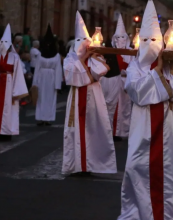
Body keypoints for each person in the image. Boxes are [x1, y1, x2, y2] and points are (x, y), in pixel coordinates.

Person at [118, 1, 173, 219]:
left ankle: (171, 212)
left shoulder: (170, 69)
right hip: (143, 125)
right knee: (138, 168)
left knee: (171, 170)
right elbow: (137, 92)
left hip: (169, 126)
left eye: (154, 40)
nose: (150, 45)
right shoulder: (135, 67)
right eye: (145, 40)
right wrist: (157, 71)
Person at [62, 11, 117, 175]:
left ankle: (92, 163)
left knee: (93, 128)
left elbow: (100, 72)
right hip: (76, 96)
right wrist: (83, 59)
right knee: (75, 130)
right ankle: (76, 164)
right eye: (78, 41)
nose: (81, 44)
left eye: (84, 41)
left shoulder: (96, 58)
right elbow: (71, 77)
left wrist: (91, 60)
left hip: (93, 96)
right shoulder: (70, 59)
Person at [100, 14, 133, 142]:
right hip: (112, 81)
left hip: (124, 82)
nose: (121, 39)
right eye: (118, 37)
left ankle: (120, 131)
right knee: (110, 105)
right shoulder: (111, 51)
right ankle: (109, 131)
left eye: (123, 37)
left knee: (123, 108)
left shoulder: (130, 52)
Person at [32, 24, 63, 126]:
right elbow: (37, 68)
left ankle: (47, 118)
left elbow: (58, 70)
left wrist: (57, 85)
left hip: (47, 77)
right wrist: (35, 83)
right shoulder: (42, 55)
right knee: (42, 97)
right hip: (46, 77)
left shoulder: (53, 55)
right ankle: (42, 118)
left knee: (49, 98)